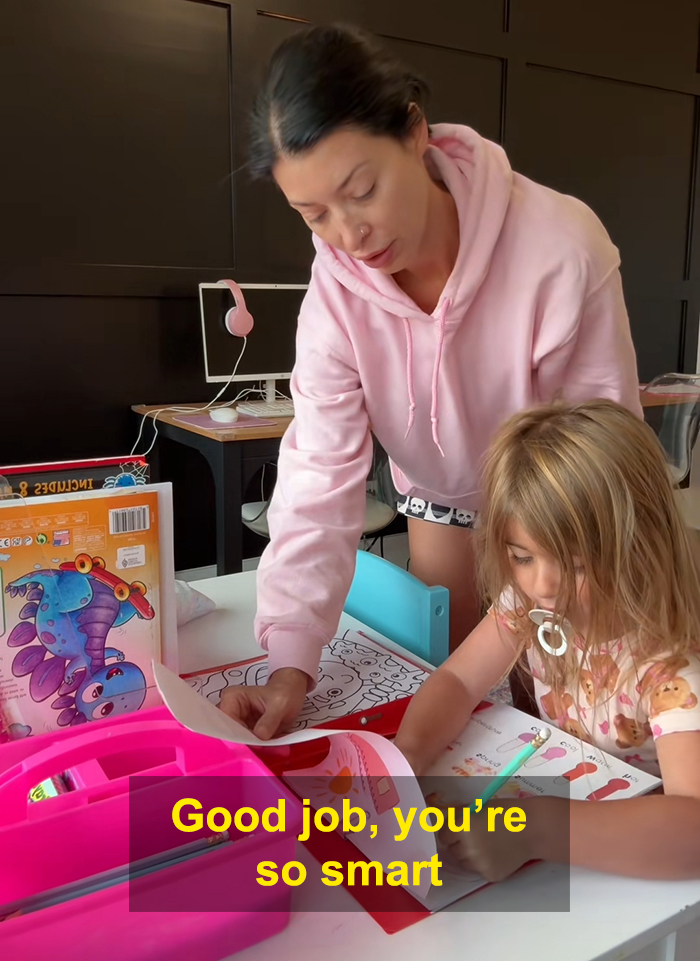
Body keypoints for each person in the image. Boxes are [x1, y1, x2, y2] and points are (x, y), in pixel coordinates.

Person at [219, 23, 642, 738]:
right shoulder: (336, 299)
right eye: (314, 215)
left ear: (414, 131)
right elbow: (318, 476)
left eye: (362, 191)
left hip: (562, 514)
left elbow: (603, 454)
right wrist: (292, 660)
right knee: (458, 701)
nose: (350, 234)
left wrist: (547, 567)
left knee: (565, 706)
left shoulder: (561, 249)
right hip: (441, 505)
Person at [393, 399, 700, 880]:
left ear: (641, 547)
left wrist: (537, 830)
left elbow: (692, 830)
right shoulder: (532, 604)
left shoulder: (672, 667)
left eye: (576, 565)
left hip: (636, 869)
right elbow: (457, 680)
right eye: (522, 557)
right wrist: (408, 754)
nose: (543, 585)